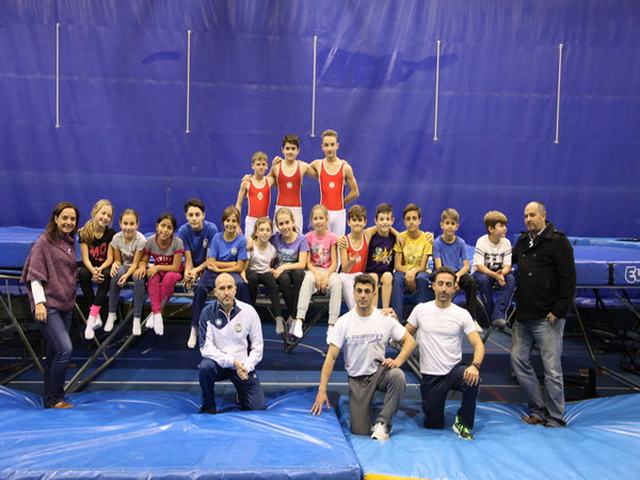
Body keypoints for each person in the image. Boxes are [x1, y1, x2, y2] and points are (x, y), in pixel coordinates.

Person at [311, 274, 416, 441]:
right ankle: (369, 409)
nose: (362, 295)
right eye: (359, 291)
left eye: (367, 291)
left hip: (380, 373)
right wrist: (321, 390)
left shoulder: (384, 318)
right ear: (353, 293)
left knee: (397, 376)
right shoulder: (344, 322)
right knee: (360, 431)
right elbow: (331, 357)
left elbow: (410, 341)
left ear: (374, 294)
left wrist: (398, 361)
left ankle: (382, 423)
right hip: (357, 380)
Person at [511, 201, 576, 428]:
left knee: (552, 370)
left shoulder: (558, 242)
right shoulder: (521, 242)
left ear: (543, 216)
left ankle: (556, 416)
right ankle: (537, 409)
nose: (528, 219)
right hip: (523, 317)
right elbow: (509, 264)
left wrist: (558, 310)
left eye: (532, 215)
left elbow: (569, 280)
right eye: (525, 215)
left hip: (547, 319)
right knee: (518, 361)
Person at [405, 267, 485, 440]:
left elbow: (478, 345)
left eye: (448, 285)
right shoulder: (420, 310)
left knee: (472, 378)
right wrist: (388, 319)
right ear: (433, 286)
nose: (444, 288)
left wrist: (475, 366)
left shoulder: (462, 314)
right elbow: (403, 335)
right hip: (431, 377)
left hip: (454, 371)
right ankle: (435, 413)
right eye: (440, 284)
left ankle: (463, 421)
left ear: (454, 288)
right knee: (434, 424)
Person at [21, 201, 80, 408]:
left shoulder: (70, 242)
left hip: (66, 305)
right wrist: (39, 303)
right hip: (48, 306)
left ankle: (49, 396)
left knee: (54, 353)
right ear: (55, 219)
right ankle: (56, 397)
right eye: (65, 218)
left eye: (72, 219)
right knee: (65, 349)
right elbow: (35, 275)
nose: (69, 222)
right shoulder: (43, 242)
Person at [198, 273, 265, 414]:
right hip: (220, 365)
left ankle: (241, 395)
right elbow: (205, 348)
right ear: (215, 292)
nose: (226, 292)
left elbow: (258, 347)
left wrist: (246, 366)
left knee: (257, 407)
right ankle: (209, 406)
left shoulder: (249, 311)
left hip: (242, 367)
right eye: (222, 288)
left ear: (235, 289)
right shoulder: (207, 313)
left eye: (229, 287)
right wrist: (231, 361)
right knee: (205, 368)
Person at [190, 206, 250, 347]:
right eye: (227, 220)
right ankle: (194, 327)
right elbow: (210, 262)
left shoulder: (241, 241)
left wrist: (220, 266)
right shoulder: (217, 237)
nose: (230, 224)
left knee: (241, 285)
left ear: (238, 223)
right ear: (223, 222)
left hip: (232, 274)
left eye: (234, 221)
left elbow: (240, 267)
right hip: (213, 273)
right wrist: (230, 264)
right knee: (200, 288)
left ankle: (245, 327)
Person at [295, 204, 342, 344]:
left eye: (321, 218)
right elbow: (308, 262)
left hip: (328, 271)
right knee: (307, 279)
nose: (319, 221)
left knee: (337, 283)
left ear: (326, 219)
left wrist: (326, 275)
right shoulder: (307, 237)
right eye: (315, 218)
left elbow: (335, 262)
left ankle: (332, 324)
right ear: (312, 220)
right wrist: (316, 274)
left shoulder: (332, 237)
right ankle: (299, 319)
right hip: (313, 270)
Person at [177, 198, 219, 347]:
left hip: (208, 267)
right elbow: (187, 258)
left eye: (197, 214)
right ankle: (193, 328)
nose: (194, 218)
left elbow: (210, 259)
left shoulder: (211, 229)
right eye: (190, 215)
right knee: (195, 285)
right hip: (193, 267)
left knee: (200, 288)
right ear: (186, 217)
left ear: (203, 215)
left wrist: (196, 270)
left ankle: (210, 329)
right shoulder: (183, 231)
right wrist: (189, 272)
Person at [138, 212, 184, 336]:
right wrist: (142, 266)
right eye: (163, 225)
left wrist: (157, 266)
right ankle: (158, 315)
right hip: (159, 272)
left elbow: (175, 267)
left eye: (169, 227)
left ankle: (155, 313)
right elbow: (144, 259)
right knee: (152, 277)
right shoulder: (151, 242)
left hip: (175, 272)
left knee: (168, 278)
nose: (165, 230)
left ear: (173, 231)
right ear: (157, 226)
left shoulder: (177, 242)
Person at [433, 208, 479, 329]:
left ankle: (472, 320)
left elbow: (466, 266)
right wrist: (452, 280)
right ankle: (438, 317)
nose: (450, 226)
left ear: (457, 226)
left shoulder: (461, 243)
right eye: (447, 223)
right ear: (442, 225)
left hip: (457, 273)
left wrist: (457, 276)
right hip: (442, 272)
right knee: (435, 279)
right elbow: (439, 267)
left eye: (453, 224)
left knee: (470, 281)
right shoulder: (437, 243)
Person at [308, 129, 359, 236]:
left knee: (338, 245)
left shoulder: (345, 168)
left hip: (339, 213)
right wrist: (281, 161)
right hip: (323, 213)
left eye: (332, 145)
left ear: (337, 145)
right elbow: (300, 168)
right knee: (322, 246)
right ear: (322, 147)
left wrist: (342, 201)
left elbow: (355, 192)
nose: (329, 148)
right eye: (326, 145)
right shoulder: (318, 164)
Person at [78, 199, 115, 340]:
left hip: (104, 266)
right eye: (103, 213)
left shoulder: (111, 234)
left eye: (109, 216)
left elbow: (110, 259)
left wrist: (99, 269)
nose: (105, 217)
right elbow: (86, 258)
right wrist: (93, 271)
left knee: (107, 274)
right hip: (90, 266)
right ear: (95, 212)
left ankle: (91, 319)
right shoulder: (84, 232)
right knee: (82, 274)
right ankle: (96, 314)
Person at [472, 210, 516, 328]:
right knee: (483, 280)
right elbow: (479, 266)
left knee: (511, 279)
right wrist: (495, 275)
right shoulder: (482, 241)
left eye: (505, 225)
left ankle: (498, 314)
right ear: (491, 229)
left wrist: (502, 274)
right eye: (501, 226)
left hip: (500, 273)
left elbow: (507, 265)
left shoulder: (506, 242)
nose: (505, 228)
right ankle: (490, 311)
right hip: (483, 273)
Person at [106, 209, 147, 335]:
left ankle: (136, 318)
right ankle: (111, 313)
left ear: (137, 224)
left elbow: (135, 263)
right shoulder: (116, 238)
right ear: (120, 224)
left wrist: (126, 276)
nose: (128, 227)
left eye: (131, 224)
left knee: (138, 277)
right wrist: (115, 265)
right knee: (115, 274)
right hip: (124, 265)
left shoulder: (141, 240)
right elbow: (118, 260)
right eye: (125, 223)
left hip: (135, 266)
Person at [391, 203, 434, 321]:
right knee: (397, 279)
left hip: (420, 271)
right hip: (403, 270)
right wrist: (409, 273)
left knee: (422, 279)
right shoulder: (401, 237)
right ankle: (396, 320)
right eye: (408, 219)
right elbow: (397, 265)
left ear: (420, 220)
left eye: (414, 218)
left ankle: (421, 319)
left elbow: (423, 266)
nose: (411, 222)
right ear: (404, 222)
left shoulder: (426, 238)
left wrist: (413, 272)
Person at [271, 207, 309, 338]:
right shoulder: (275, 238)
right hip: (281, 275)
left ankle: (293, 317)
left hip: (293, 271)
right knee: (284, 279)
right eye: (281, 224)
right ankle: (293, 316)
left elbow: (302, 264)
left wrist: (284, 266)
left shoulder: (302, 239)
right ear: (277, 226)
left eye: (287, 222)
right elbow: (259, 240)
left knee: (299, 273)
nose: (285, 226)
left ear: (293, 222)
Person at [270, 134, 317, 233]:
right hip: (280, 208)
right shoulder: (276, 167)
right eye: (287, 148)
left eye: (293, 148)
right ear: (282, 149)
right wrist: (248, 178)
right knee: (277, 240)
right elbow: (264, 183)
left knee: (296, 240)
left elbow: (321, 176)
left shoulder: (303, 166)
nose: (290, 151)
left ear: (298, 150)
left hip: (296, 209)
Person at [245, 217, 283, 333]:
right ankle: (250, 315)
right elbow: (245, 266)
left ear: (271, 232)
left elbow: (271, 263)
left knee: (271, 281)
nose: (265, 232)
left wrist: (271, 270)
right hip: (252, 271)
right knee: (252, 278)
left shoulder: (272, 249)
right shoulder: (251, 247)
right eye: (261, 230)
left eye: (268, 230)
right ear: (256, 232)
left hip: (265, 272)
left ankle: (278, 318)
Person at [364, 203, 398, 309]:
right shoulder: (371, 235)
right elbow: (366, 231)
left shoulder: (394, 238)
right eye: (381, 219)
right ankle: (373, 311)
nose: (384, 222)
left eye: (387, 219)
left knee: (388, 276)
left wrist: (396, 233)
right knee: (373, 277)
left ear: (392, 220)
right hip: (370, 272)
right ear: (375, 221)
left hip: (385, 273)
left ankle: (385, 310)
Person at [236, 151, 274, 236]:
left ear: (267, 166)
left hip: (265, 221)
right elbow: (238, 204)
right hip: (251, 221)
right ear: (252, 166)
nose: (261, 167)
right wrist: (237, 223)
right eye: (258, 164)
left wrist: (274, 164)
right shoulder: (246, 183)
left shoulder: (270, 181)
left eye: (263, 164)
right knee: (250, 247)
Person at [338, 204, 369, 310]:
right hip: (347, 277)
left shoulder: (367, 235)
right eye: (354, 220)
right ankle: (355, 311)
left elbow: (384, 226)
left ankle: (357, 313)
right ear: (348, 222)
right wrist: (351, 262)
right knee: (342, 277)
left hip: (361, 276)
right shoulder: (344, 241)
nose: (357, 223)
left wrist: (397, 234)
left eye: (360, 220)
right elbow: (344, 270)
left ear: (365, 222)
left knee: (360, 276)